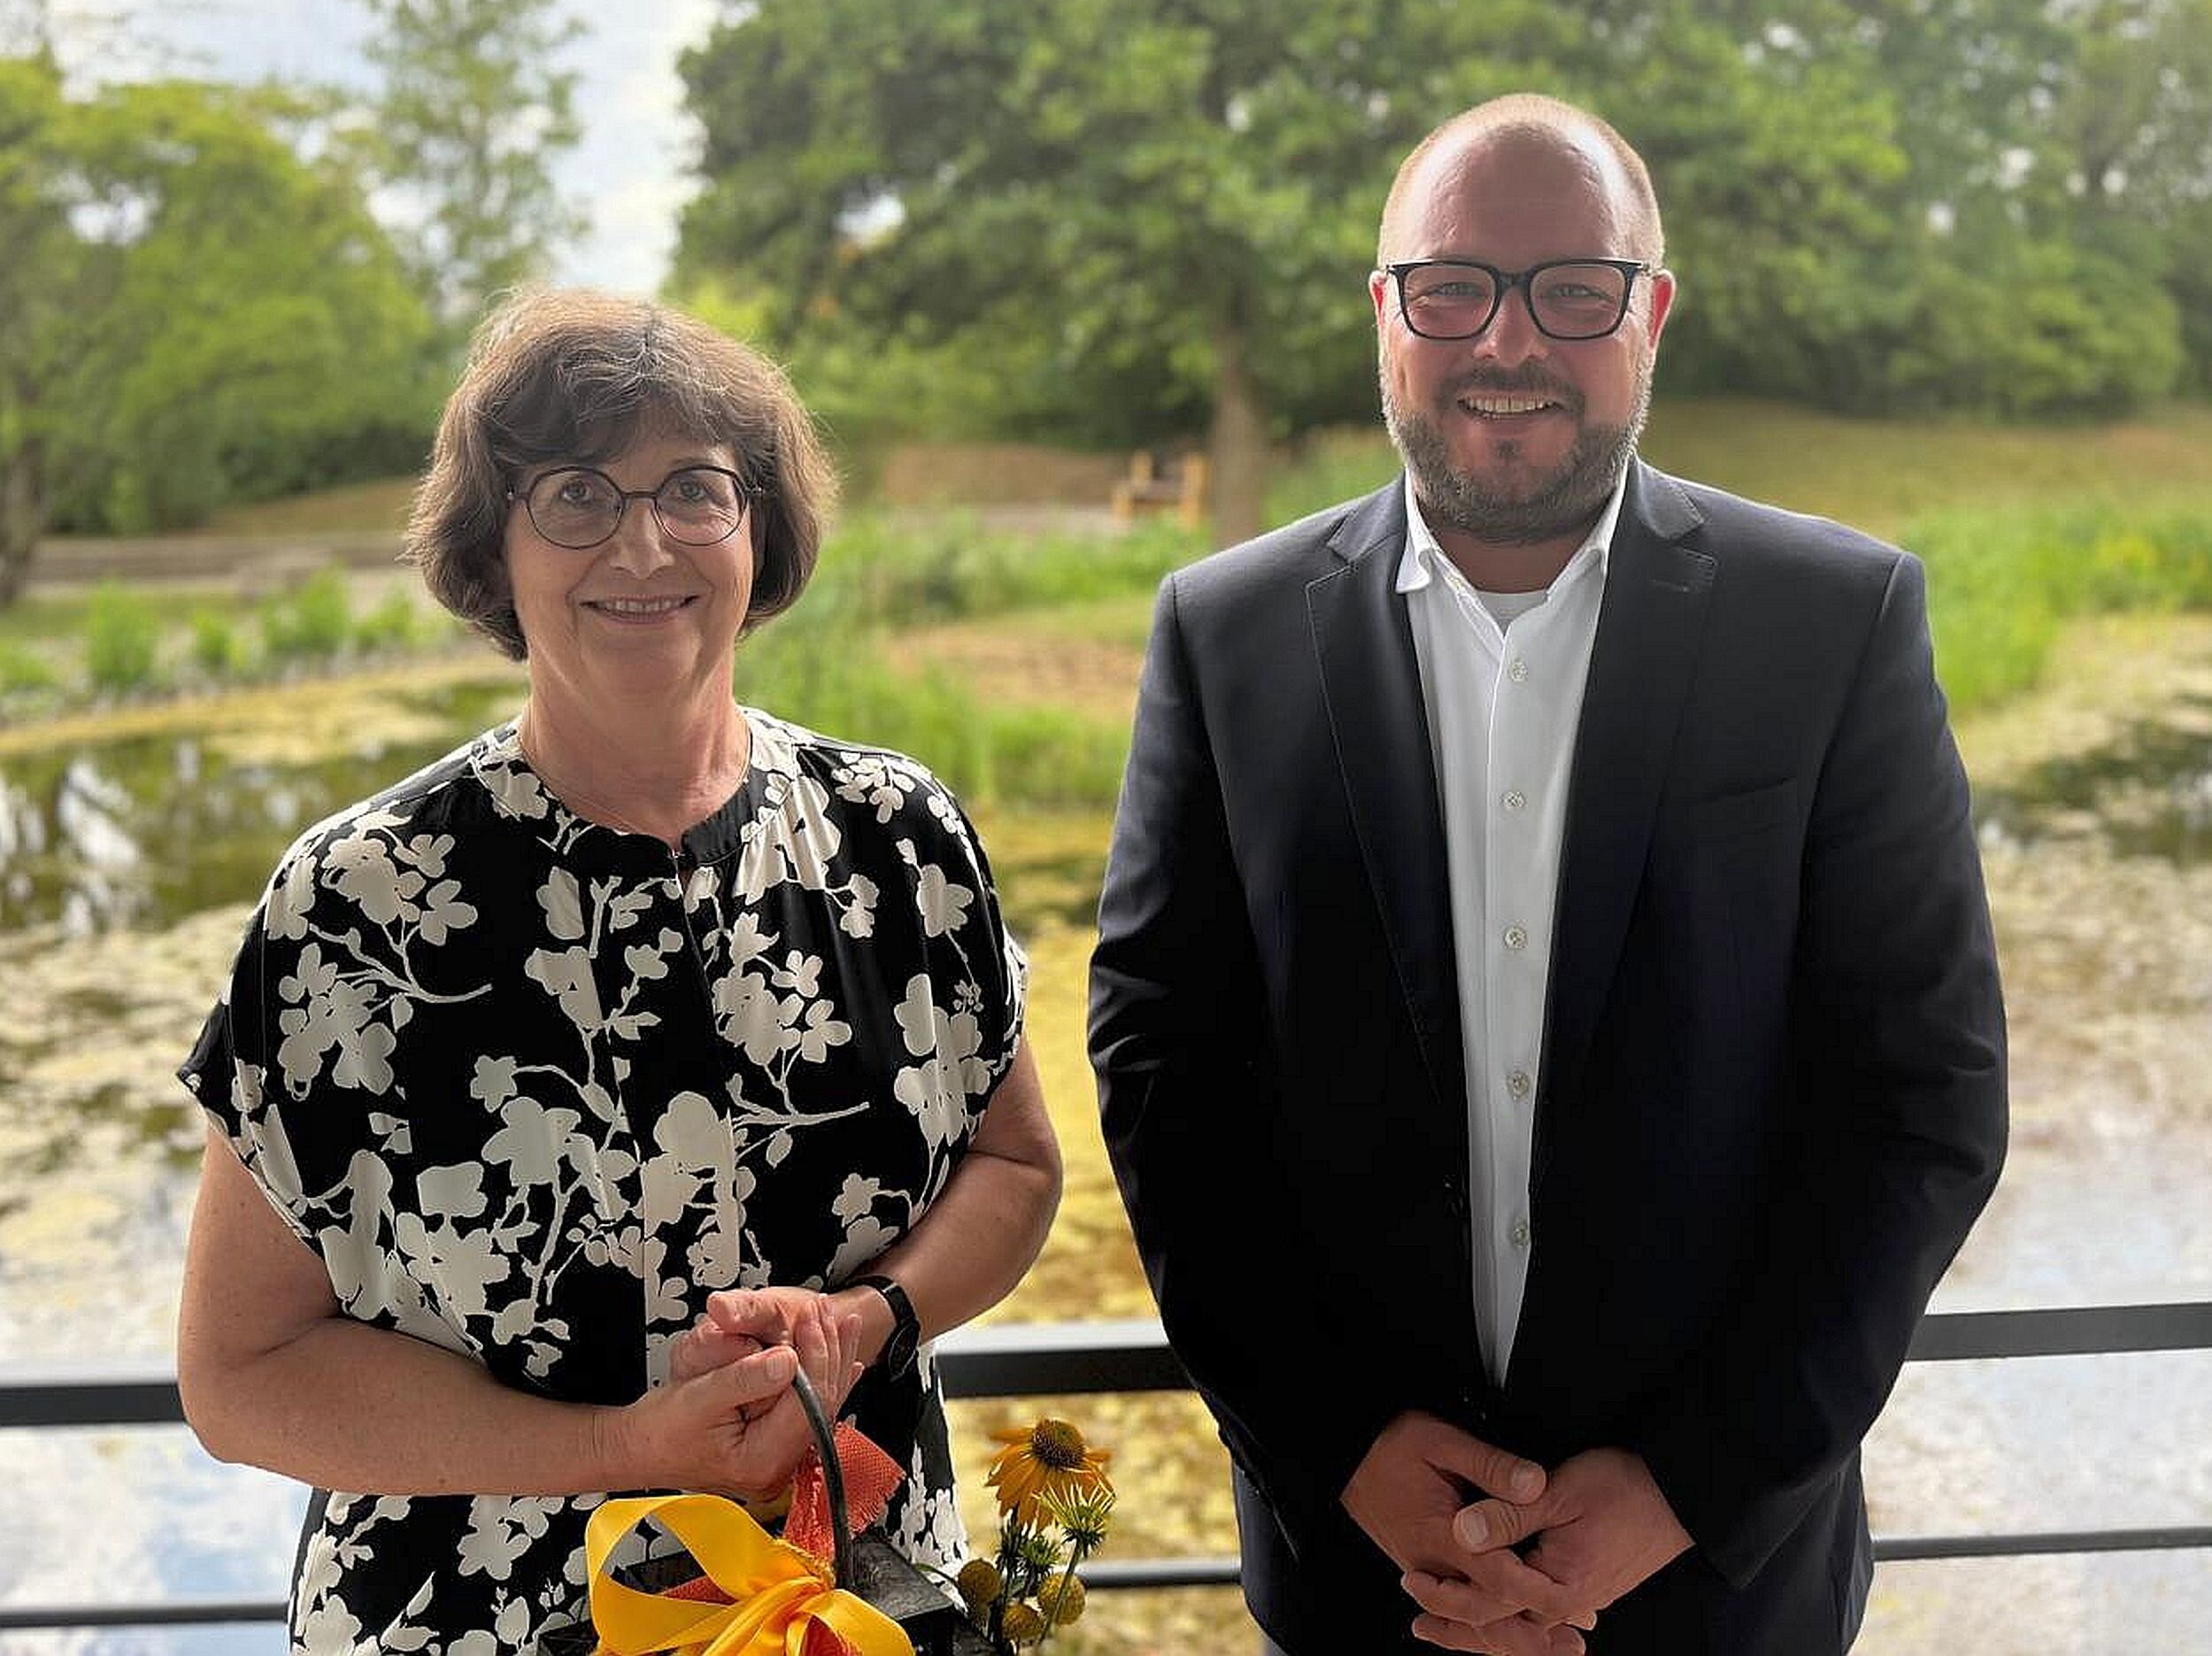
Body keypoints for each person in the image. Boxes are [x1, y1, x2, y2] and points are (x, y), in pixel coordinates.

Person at [1090, 93, 2006, 1656]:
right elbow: (1166, 1082)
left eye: (1574, 289)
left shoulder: (1835, 623)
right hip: (1364, 1577)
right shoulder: (1223, 637)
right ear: (1386, 315)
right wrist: (1341, 1447)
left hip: (1719, 1585)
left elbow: (1924, 1101)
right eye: (1452, 288)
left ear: (1652, 313)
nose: (1507, 341)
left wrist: (1689, 1483)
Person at [175, 289, 1061, 1654]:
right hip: (475, 1623)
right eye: (576, 494)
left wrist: (870, 1319)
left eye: (695, 489)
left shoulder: (901, 837)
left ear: (759, 530)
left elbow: (1016, 1165)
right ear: (496, 546)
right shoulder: (354, 907)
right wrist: (628, 1447)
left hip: (851, 1603)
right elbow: (242, 1376)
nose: (642, 543)